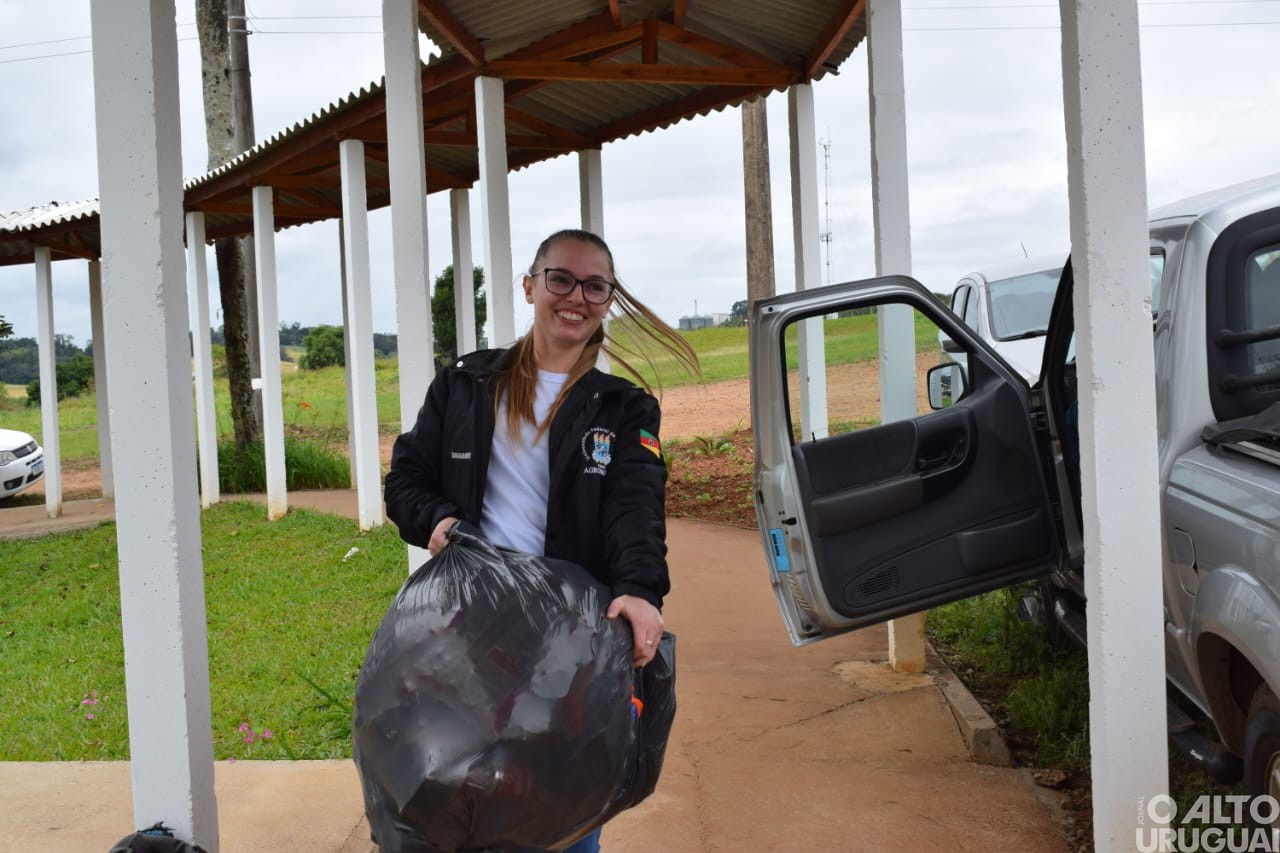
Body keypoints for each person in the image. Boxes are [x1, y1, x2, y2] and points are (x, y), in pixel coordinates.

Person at [383, 228, 699, 853]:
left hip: (571, 642)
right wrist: (439, 523)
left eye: (595, 286)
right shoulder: (465, 385)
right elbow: (405, 480)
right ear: (530, 286)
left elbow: (636, 508)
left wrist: (640, 591)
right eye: (561, 279)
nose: (576, 297)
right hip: (467, 630)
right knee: (453, 794)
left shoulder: (623, 408)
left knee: (562, 809)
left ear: (609, 300)